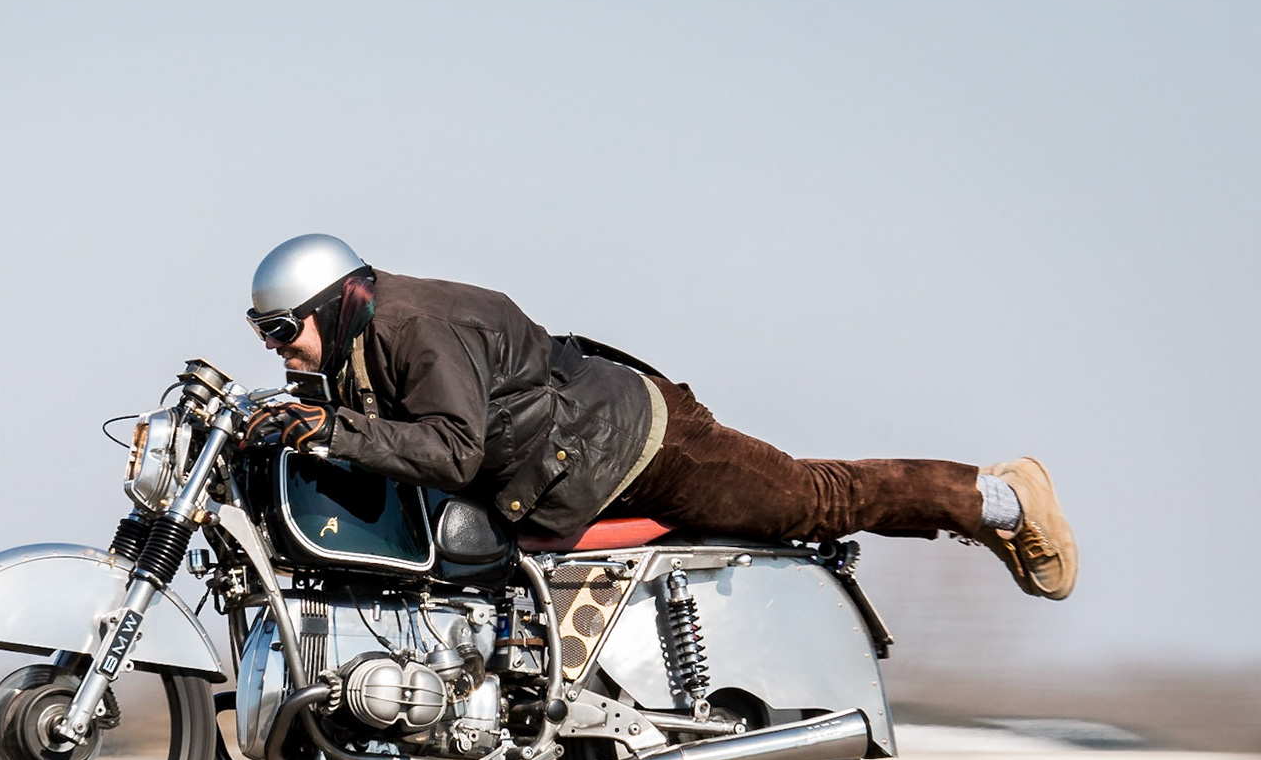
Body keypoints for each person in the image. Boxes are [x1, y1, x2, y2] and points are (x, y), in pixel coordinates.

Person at [242, 233, 1076, 600]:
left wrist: (331, 431)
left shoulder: (418, 328)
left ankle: (1001, 501)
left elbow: (452, 448)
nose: (275, 346)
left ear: (336, 303)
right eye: (261, 333)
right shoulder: (356, 344)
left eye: (281, 330)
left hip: (638, 445)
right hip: (556, 473)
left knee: (809, 501)